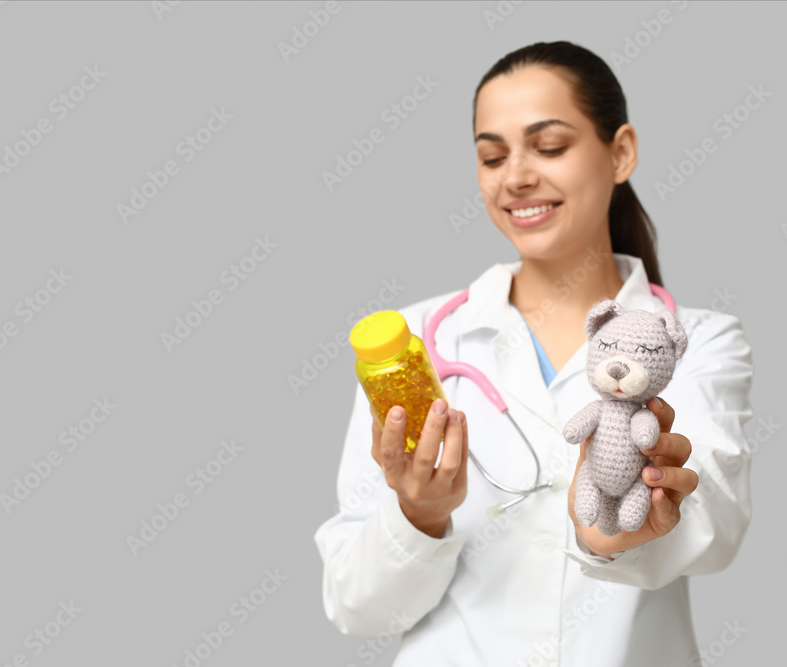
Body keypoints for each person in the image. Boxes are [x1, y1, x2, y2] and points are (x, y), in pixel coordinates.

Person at [314, 41, 755, 666]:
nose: (516, 176)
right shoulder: (417, 345)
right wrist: (419, 516)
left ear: (621, 152)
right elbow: (356, 607)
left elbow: (716, 528)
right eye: (492, 156)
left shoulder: (699, 339)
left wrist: (615, 536)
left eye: (549, 147)